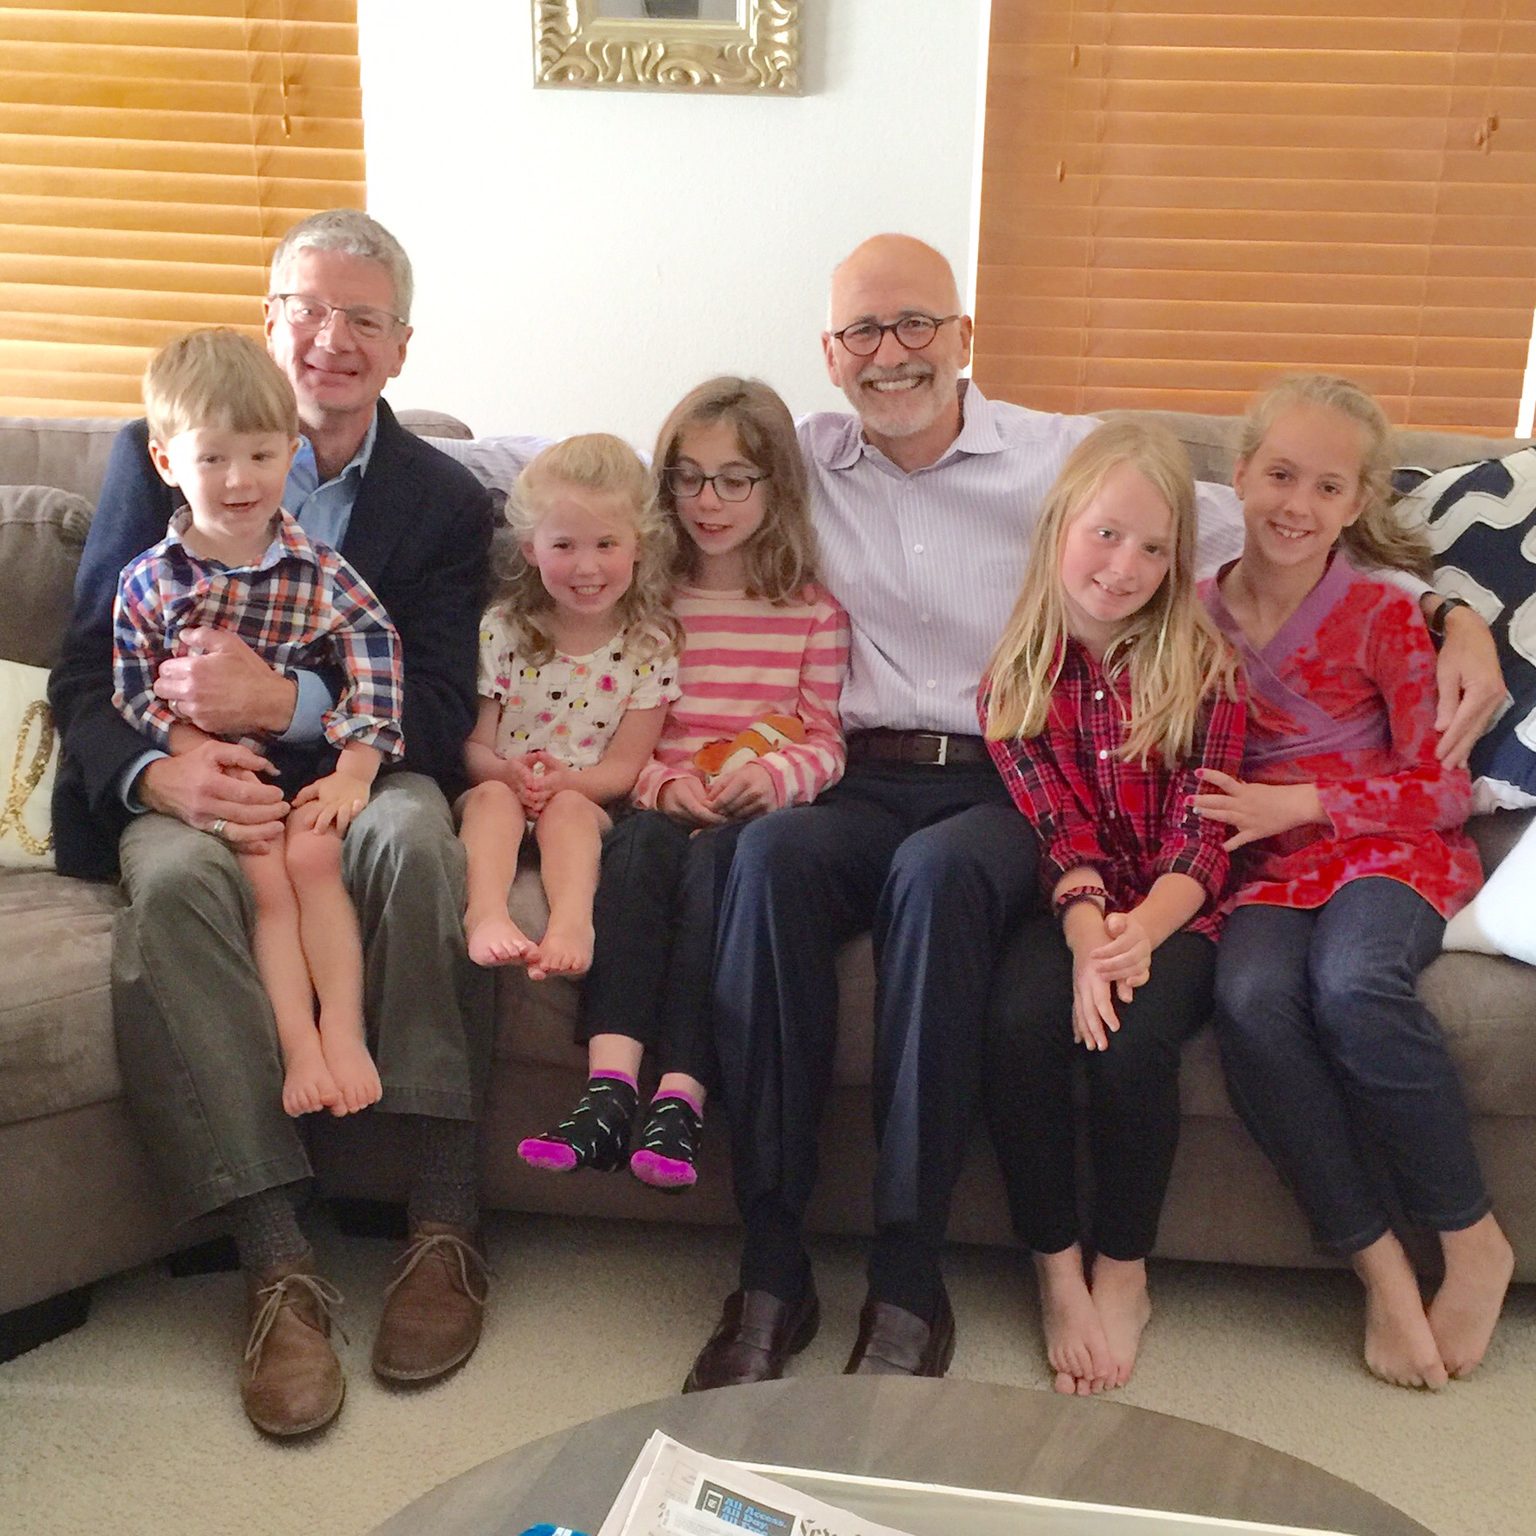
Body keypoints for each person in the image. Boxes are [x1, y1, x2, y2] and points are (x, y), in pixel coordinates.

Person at [683, 233, 1508, 1394]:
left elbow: (1277, 528)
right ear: (830, 354)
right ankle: (770, 1265)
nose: (893, 353)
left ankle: (909, 1275)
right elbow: (609, 473)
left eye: (919, 323)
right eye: (865, 332)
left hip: (1003, 784)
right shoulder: (803, 457)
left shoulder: (1071, 458)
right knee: (764, 861)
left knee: (941, 882)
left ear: (966, 336)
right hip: (862, 768)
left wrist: (1449, 614)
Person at [48, 210, 496, 1437]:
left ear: (401, 348)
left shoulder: (443, 505)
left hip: (362, 767)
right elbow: (91, 676)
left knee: (412, 842)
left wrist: (293, 703)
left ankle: (446, 1222)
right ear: (269, 320)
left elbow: (442, 703)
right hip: (190, 776)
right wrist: (156, 775)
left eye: (363, 318)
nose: (330, 339)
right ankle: (276, 1257)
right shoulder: (161, 460)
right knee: (182, 879)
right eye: (306, 308)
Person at [1194, 374, 1515, 1389]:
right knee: (1248, 1002)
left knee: (1356, 986)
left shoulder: (1380, 613)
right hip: (1266, 869)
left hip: (1386, 847)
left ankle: (1471, 1240)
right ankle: (1375, 1264)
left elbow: (1443, 787)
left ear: (1357, 503)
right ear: (1239, 473)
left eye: (1328, 487)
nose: (1297, 503)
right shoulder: (1196, 610)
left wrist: (1306, 804)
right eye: (1280, 474)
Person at [523, 377, 848, 1189]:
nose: (710, 500)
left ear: (776, 488)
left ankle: (680, 1102)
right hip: (660, 797)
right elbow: (627, 730)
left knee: (715, 875)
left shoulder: (812, 613)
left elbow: (827, 738)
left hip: (748, 817)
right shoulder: (648, 601)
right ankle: (606, 1091)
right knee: (633, 861)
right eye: (689, 476)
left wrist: (774, 777)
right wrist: (664, 788)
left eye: (736, 478)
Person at [980, 420, 1244, 1396]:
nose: (1123, 565)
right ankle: (1056, 1267)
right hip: (1079, 907)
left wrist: (1137, 941)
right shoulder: (1016, 674)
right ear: (1057, 529)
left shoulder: (1203, 667)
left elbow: (1203, 837)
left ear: (1178, 562)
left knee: (1134, 1049)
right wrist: (1091, 943)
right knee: (1014, 1026)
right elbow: (1059, 833)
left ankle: (1123, 1267)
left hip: (1181, 910)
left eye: (1152, 547)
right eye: (1105, 534)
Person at [115, 328, 405, 1119]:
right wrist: (189, 747)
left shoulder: (319, 568)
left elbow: (378, 654)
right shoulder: (148, 581)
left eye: (262, 456)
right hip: (219, 783)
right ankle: (299, 1045)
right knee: (267, 887)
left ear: (291, 454)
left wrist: (355, 768)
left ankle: (343, 1034)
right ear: (169, 462)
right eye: (213, 459)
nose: (241, 481)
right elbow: (129, 692)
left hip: (309, 767)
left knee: (315, 863)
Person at [458, 432, 680, 990]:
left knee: (570, 815)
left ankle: (571, 926)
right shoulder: (503, 629)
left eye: (606, 544)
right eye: (564, 546)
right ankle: (485, 913)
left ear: (640, 544)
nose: (587, 567)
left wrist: (570, 784)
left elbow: (627, 767)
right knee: (491, 800)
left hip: (585, 799)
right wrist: (506, 773)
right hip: (501, 787)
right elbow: (474, 746)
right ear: (531, 548)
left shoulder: (650, 646)